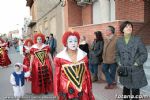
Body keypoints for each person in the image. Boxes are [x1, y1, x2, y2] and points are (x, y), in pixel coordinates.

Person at [54, 31, 95, 100]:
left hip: (82, 89)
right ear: (66, 43)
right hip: (67, 90)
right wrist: (56, 92)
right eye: (70, 41)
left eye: (75, 41)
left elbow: (87, 74)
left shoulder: (83, 56)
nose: (73, 43)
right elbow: (57, 76)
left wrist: (90, 88)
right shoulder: (60, 58)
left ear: (78, 42)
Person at [116, 21, 148, 100]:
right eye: (127, 27)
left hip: (135, 69)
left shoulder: (137, 40)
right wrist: (119, 62)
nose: (129, 28)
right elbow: (117, 54)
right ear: (122, 29)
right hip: (125, 69)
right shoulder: (119, 41)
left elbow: (144, 53)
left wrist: (137, 62)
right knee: (126, 89)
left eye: (130, 27)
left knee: (135, 90)